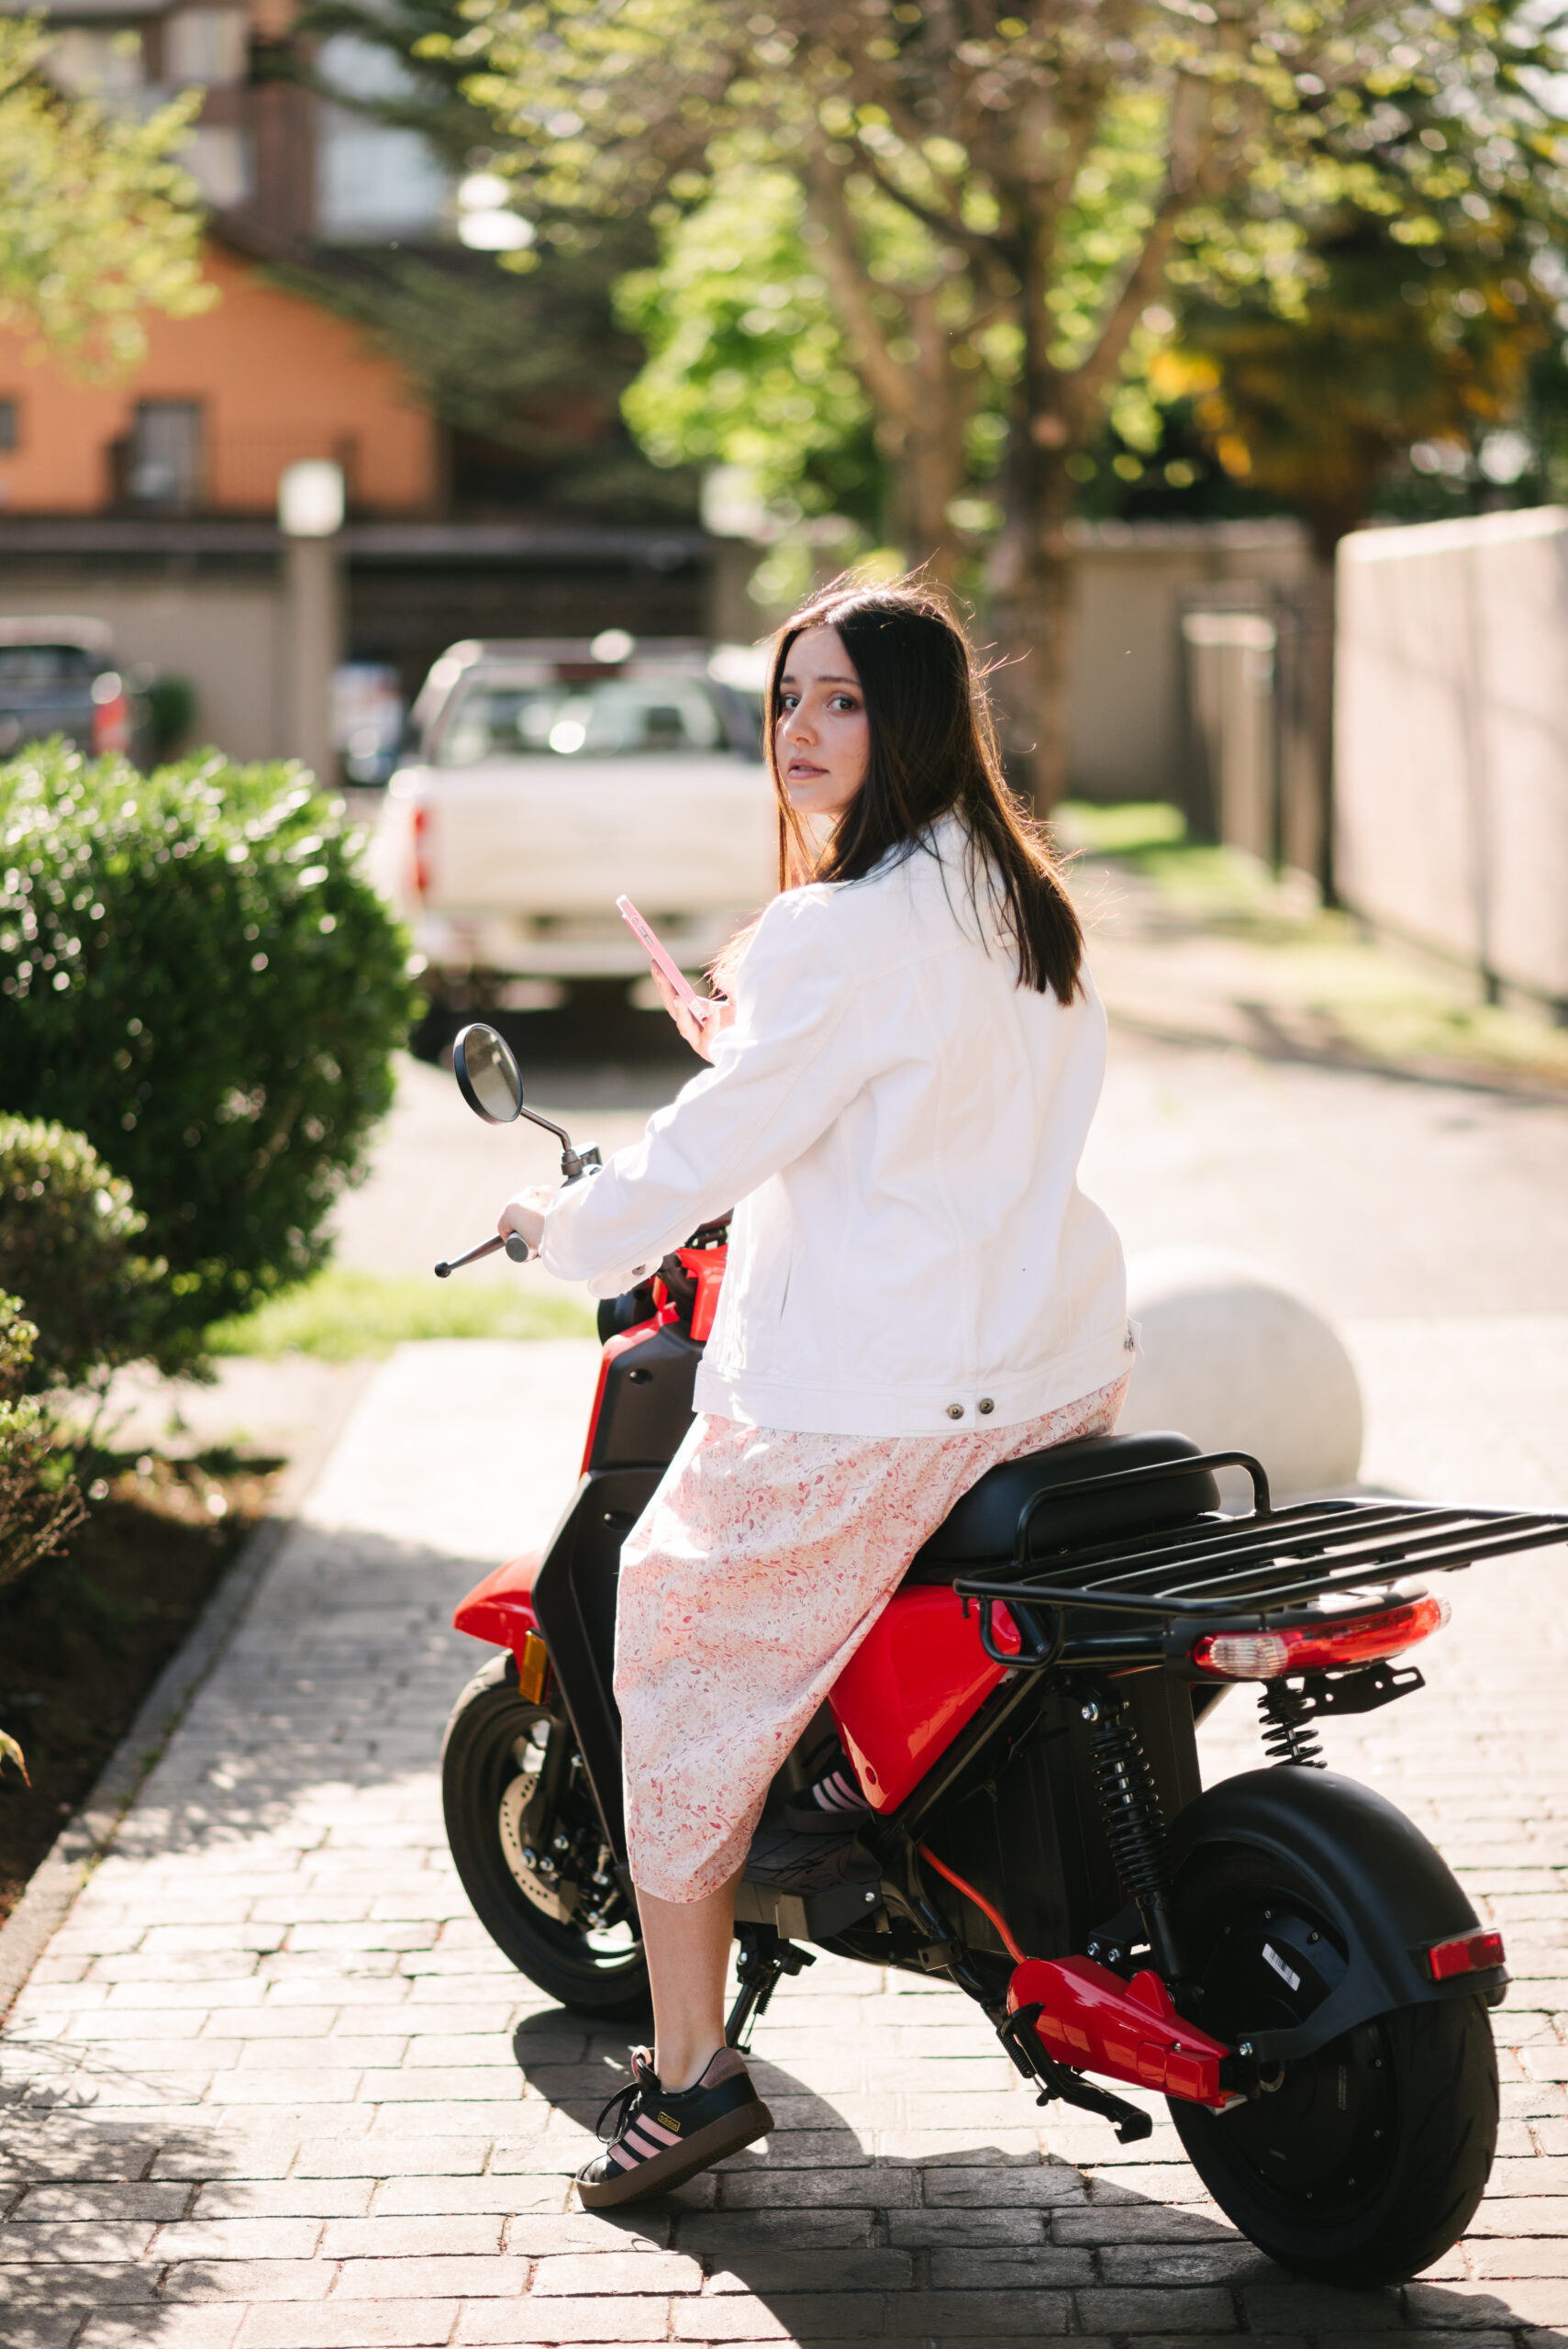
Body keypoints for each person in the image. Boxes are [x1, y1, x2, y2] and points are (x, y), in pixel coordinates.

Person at [498, 576, 1132, 2210]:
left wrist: (566, 1230)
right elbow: (917, 1092)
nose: (801, 729)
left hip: (879, 1398)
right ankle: (852, 1779)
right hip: (1055, 1372)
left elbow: (703, 1159)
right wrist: (750, 1041)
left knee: (669, 1639)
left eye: (841, 700)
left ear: (911, 719)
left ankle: (689, 2070)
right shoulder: (1021, 900)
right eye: (788, 698)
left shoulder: (830, 932)